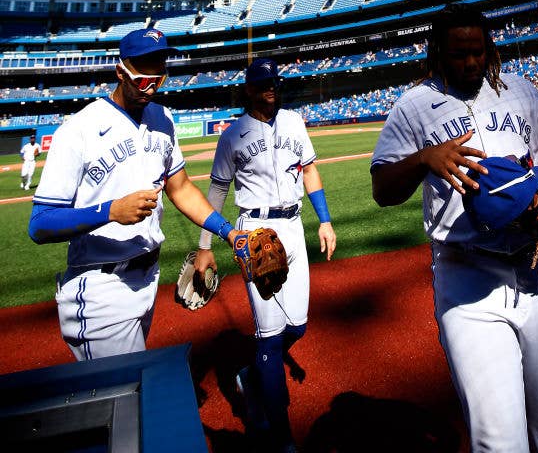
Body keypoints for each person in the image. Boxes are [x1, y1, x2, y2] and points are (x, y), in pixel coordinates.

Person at [371, 3, 538, 453]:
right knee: (499, 440)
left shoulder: (522, 92)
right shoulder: (413, 107)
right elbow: (383, 189)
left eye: (478, 51)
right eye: (458, 53)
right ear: (437, 54)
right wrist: (422, 159)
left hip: (536, 270)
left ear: (490, 49)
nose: (470, 62)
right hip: (466, 280)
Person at [28, 27, 238, 361]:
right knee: (126, 394)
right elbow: (39, 224)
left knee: (125, 396)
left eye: (159, 68)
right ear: (120, 70)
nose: (152, 80)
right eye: (143, 69)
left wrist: (230, 233)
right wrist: (110, 211)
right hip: (100, 287)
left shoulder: (163, 119)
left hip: (147, 278)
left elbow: (180, 188)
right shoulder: (79, 130)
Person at [195, 57, 336, 453]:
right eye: (262, 83)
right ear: (248, 89)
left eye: (274, 82)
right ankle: (282, 437)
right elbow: (218, 191)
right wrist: (206, 247)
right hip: (254, 234)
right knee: (270, 338)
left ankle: (253, 374)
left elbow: (309, 171)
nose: (270, 88)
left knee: (299, 327)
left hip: (293, 227)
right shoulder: (232, 135)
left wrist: (324, 221)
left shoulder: (294, 122)